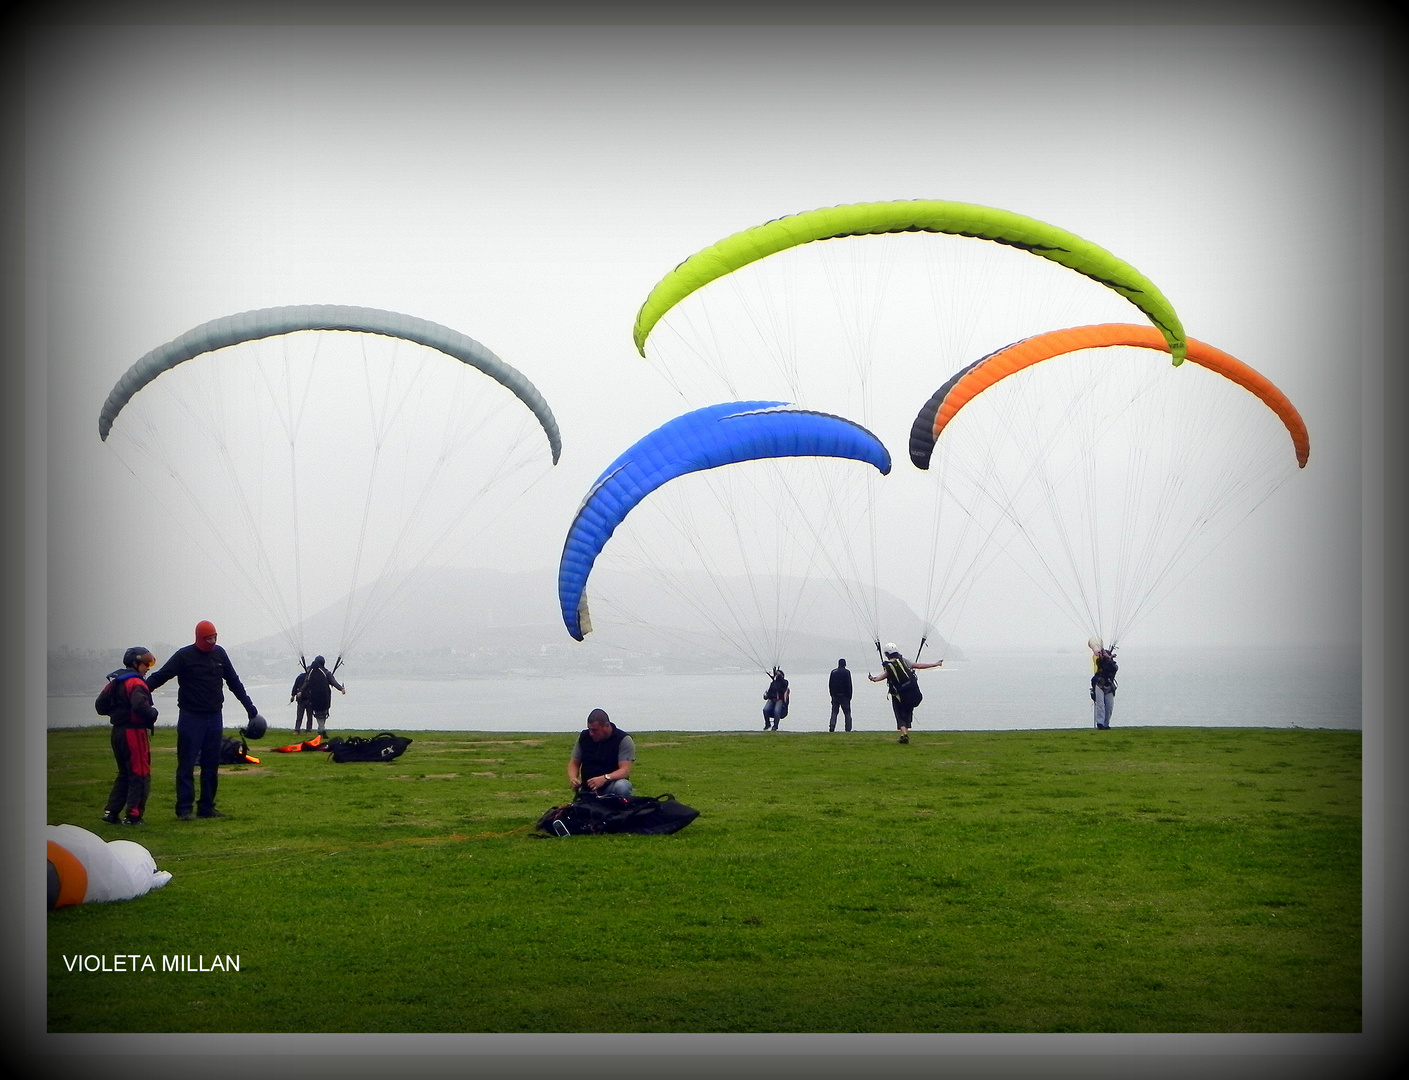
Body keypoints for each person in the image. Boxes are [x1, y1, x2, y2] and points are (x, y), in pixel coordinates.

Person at [146, 620, 264, 820]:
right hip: (190, 717)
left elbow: (234, 682)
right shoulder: (184, 656)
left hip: (214, 716)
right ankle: (184, 810)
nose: (212, 642)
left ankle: (207, 808)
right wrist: (137, 689)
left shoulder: (220, 654)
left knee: (211, 764)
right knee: (186, 764)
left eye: (215, 637)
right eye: (208, 638)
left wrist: (251, 709)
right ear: (199, 638)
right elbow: (161, 676)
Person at [97, 647, 160, 827]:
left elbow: (100, 706)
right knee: (140, 774)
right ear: (135, 663)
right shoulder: (136, 683)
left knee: (125, 773)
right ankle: (133, 816)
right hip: (134, 733)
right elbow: (140, 706)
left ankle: (111, 812)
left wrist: (118, 714)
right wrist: (152, 713)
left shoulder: (115, 681)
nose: (148, 668)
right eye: (146, 664)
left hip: (117, 732)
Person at [868, 642, 941, 743]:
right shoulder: (903, 661)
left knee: (899, 714)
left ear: (887, 654)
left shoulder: (889, 666)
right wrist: (935, 664)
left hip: (898, 695)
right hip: (911, 693)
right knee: (907, 713)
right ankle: (904, 734)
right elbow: (918, 665)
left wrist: (873, 679)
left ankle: (904, 734)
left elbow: (882, 676)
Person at [567, 708, 635, 797]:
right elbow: (574, 763)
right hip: (588, 789)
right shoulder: (584, 737)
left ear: (606, 726)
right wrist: (573, 778)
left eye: (595, 730)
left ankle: (620, 809)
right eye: (589, 729)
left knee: (623, 786)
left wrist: (604, 778)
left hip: (610, 788)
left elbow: (625, 770)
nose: (591, 733)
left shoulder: (623, 739)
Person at [300, 655, 345, 737]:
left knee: (318, 713)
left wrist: (300, 691)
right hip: (325, 697)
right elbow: (333, 682)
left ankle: (321, 728)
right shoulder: (326, 673)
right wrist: (341, 689)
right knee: (323, 713)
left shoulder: (310, 673)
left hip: (314, 697)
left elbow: (306, 683)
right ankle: (321, 729)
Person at [1090, 640, 1119, 729]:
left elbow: (1113, 668)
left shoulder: (1113, 665)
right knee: (1100, 704)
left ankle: (1106, 724)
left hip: (1109, 686)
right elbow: (1099, 662)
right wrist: (1102, 655)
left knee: (1109, 706)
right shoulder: (1099, 661)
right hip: (1099, 683)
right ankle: (1100, 723)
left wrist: (1109, 658)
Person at [828, 658, 854, 732]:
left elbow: (830, 685)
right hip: (845, 696)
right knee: (847, 713)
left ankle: (832, 727)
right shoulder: (847, 672)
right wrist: (850, 696)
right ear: (845, 664)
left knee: (834, 712)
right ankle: (848, 728)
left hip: (835, 696)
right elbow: (849, 685)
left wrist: (832, 694)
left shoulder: (833, 672)